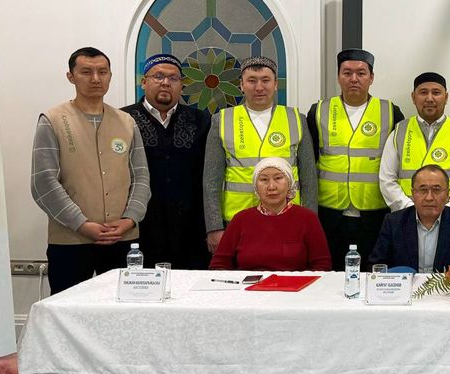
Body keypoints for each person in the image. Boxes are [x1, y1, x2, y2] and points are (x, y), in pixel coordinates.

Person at [31, 47, 150, 293]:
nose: (96, 79)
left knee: (122, 309)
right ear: (71, 76)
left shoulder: (126, 122)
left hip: (122, 238)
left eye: (102, 72)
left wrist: (129, 219)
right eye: (86, 72)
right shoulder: (53, 120)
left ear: (110, 76)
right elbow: (43, 183)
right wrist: (82, 224)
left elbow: (141, 177)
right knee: (68, 309)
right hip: (70, 241)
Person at [203, 55, 314, 255]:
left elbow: (309, 178)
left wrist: (311, 222)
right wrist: (214, 227)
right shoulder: (222, 120)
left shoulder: (296, 119)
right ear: (241, 85)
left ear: (275, 84)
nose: (259, 87)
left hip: (288, 218)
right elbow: (211, 180)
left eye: (265, 80)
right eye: (252, 81)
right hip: (237, 219)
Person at [307, 49, 403, 269]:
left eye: (361, 73)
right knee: (330, 273)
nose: (354, 79)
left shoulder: (390, 111)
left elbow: (397, 163)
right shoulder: (319, 110)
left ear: (371, 77)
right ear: (338, 76)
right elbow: (309, 162)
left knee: (373, 271)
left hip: (375, 212)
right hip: (330, 212)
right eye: (347, 73)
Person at [122, 53, 210, 269]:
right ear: (144, 82)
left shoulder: (202, 121)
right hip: (139, 228)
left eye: (173, 78)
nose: (165, 82)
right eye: (158, 76)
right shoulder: (123, 119)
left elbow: (210, 176)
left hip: (191, 230)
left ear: (181, 86)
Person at [210, 158, 332, 271]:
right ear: (256, 187)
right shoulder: (240, 219)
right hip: (249, 286)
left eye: (278, 178)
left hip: (294, 287)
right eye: (264, 180)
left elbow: (322, 265)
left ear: (289, 183)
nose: (271, 187)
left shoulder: (307, 218)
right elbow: (219, 264)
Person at [371, 165, 450, 272]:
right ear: (413, 194)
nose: (429, 197)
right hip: (405, 285)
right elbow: (376, 266)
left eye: (436, 190)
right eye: (423, 190)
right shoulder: (393, 223)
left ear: (447, 195)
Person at [379, 72, 450, 213]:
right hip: (406, 215)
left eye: (436, 93)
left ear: (446, 97)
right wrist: (410, 208)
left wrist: (449, 209)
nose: (429, 98)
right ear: (413, 97)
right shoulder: (399, 131)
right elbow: (387, 179)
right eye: (423, 92)